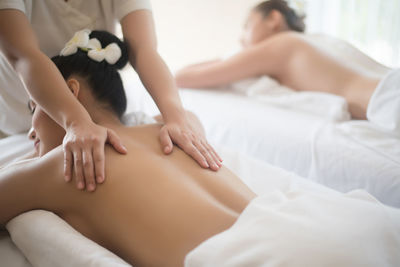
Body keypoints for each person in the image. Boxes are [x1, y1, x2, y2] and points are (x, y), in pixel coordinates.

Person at [1, 30, 399, 267]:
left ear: (70, 92)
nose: (31, 134)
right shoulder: (174, 132)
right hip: (336, 223)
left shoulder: (63, 167)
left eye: (35, 109)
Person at [0, 0, 222, 193]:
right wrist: (76, 121)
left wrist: (177, 118)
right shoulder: (42, 150)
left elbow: (144, 49)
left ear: (73, 91)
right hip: (26, 112)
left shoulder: (140, 127)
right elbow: (22, 55)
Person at [174, 0, 390, 120]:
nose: (242, 39)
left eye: (247, 26)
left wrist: (230, 57)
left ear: (274, 19)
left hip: (387, 101)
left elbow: (182, 77)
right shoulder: (314, 41)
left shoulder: (279, 45)